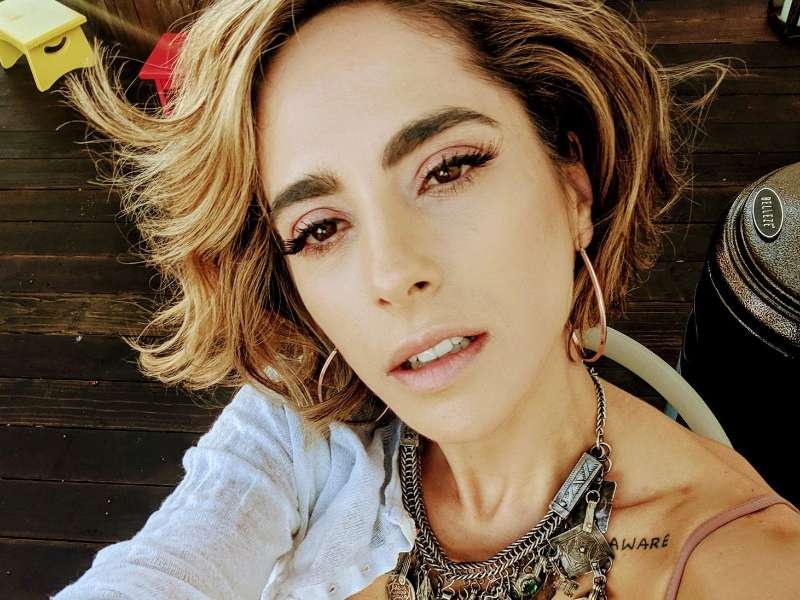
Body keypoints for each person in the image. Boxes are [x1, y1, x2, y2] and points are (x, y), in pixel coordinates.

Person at [52, 1, 800, 599]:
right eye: (319, 229)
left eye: (447, 169)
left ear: (573, 184)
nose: (391, 273)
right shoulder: (300, 424)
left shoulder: (740, 564)